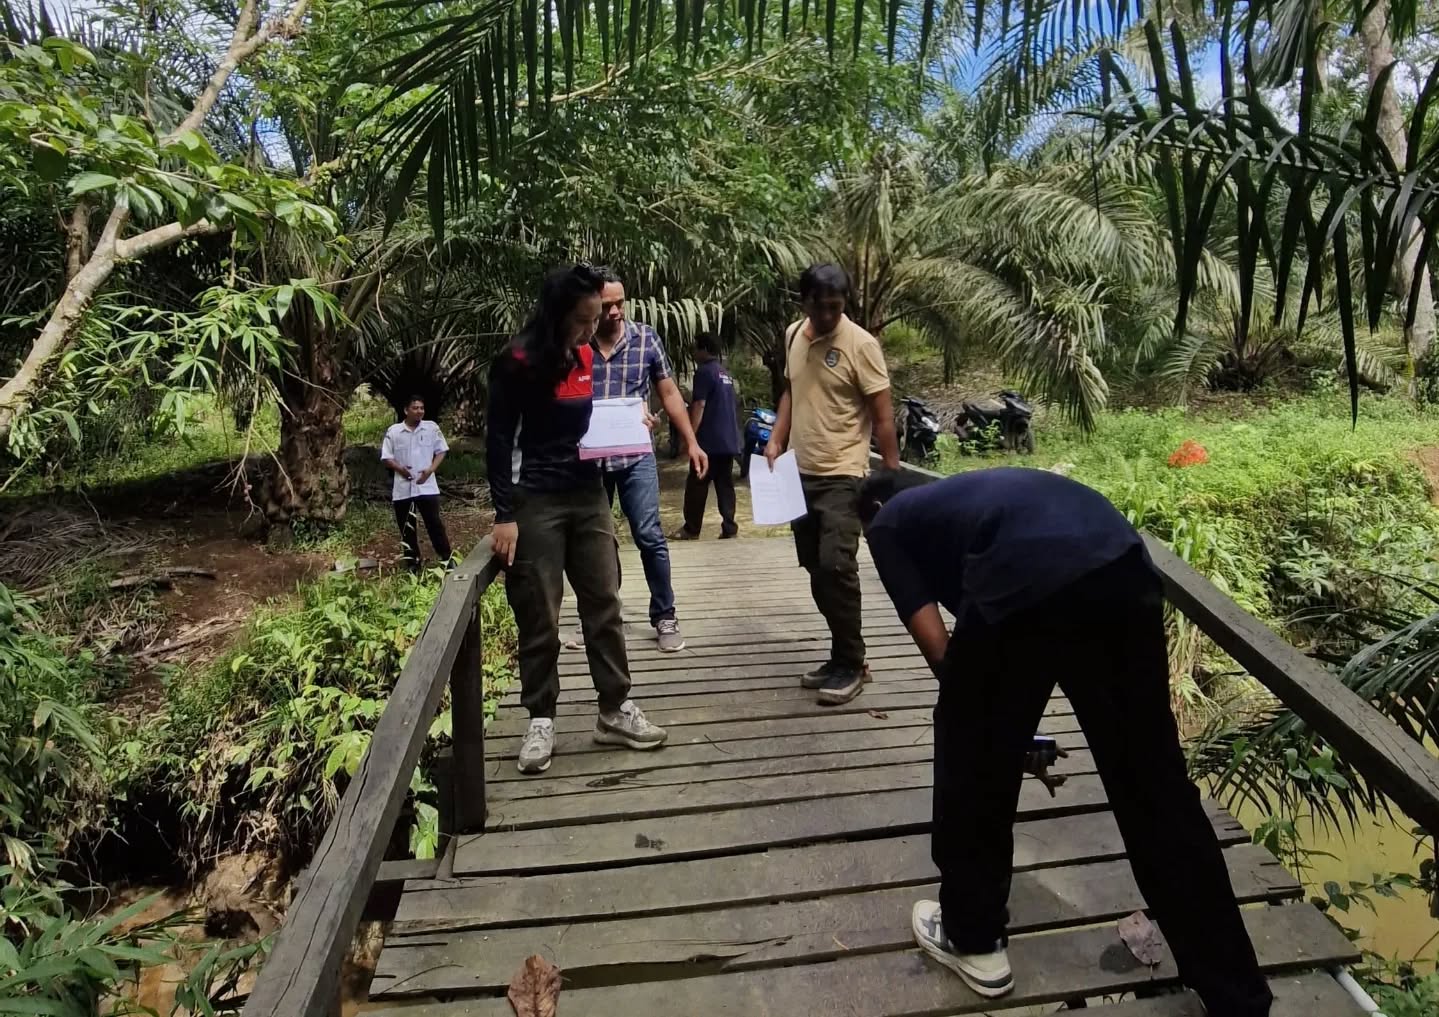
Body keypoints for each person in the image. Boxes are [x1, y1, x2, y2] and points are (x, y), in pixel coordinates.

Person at [856, 466, 1273, 1016]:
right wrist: (1016, 731)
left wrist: (999, 738)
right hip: (1122, 564)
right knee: (1156, 789)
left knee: (969, 752)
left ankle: (972, 938)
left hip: (1023, 572)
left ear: (874, 511)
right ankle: (1235, 993)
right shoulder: (971, 495)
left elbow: (945, 657)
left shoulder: (888, 523)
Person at [486, 264, 667, 776]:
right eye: (585, 320)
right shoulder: (517, 361)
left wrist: (633, 421)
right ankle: (541, 718)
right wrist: (505, 514)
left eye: (597, 318)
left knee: (604, 602)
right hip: (535, 499)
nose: (593, 329)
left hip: (588, 493)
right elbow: (499, 441)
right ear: (558, 314)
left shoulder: (584, 356)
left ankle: (614, 708)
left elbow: (590, 419)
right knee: (539, 613)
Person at [764, 263, 899, 706]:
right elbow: (791, 389)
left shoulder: (861, 345)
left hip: (843, 472)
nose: (826, 316)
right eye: (819, 307)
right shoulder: (793, 335)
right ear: (803, 302)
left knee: (836, 565)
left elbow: (882, 413)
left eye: (835, 308)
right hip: (799, 471)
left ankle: (853, 663)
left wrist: (890, 472)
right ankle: (841, 655)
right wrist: (777, 437)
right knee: (815, 568)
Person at [570, 267, 707, 654]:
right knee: (595, 542)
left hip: (635, 457)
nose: (614, 312)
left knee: (649, 535)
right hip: (590, 461)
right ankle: (599, 617)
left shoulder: (645, 338)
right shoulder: (577, 343)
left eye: (620, 303)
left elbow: (669, 392)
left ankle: (665, 615)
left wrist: (691, 441)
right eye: (606, 305)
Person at [676, 332, 740, 539]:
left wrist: (689, 437)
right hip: (727, 440)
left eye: (695, 348)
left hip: (708, 441)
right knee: (725, 485)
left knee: (697, 484)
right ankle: (729, 527)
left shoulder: (704, 372)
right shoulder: (724, 373)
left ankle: (691, 528)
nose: (693, 353)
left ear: (704, 349)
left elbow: (699, 405)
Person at [380, 395, 454, 572]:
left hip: (426, 487)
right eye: (415, 408)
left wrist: (430, 470)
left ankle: (447, 559)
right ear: (406, 410)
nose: (419, 411)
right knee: (407, 528)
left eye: (422, 408)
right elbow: (386, 457)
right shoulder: (394, 431)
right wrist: (400, 469)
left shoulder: (431, 428)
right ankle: (413, 564)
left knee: (435, 525)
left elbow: (441, 450)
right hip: (403, 489)